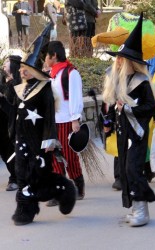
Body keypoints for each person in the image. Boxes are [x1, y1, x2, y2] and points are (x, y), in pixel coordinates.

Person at [0, 48, 76, 226]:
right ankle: (25, 209)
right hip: (21, 140)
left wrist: (50, 139)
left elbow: (49, 116)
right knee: (21, 174)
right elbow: (15, 113)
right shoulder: (21, 89)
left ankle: (63, 189)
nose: (20, 71)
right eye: (20, 69)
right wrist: (2, 101)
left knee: (37, 175)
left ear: (34, 70)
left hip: (39, 141)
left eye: (24, 69)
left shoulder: (45, 90)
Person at [102, 13, 155, 227]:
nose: (117, 61)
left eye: (120, 58)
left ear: (130, 62)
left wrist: (128, 109)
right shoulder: (119, 80)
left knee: (134, 170)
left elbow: (149, 107)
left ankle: (142, 210)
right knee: (126, 171)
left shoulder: (142, 82)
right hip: (123, 132)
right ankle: (136, 208)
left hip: (137, 132)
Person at [44, 41, 85, 206]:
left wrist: (75, 119)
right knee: (54, 157)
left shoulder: (70, 73)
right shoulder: (52, 74)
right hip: (53, 122)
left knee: (69, 156)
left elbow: (76, 96)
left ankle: (78, 186)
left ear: (54, 56)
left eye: (47, 55)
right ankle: (58, 191)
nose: (45, 59)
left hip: (67, 122)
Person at [0, 55, 22, 191]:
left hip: (11, 123)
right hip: (1, 123)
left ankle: (15, 178)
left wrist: (3, 97)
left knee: (11, 151)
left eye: (7, 62)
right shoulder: (2, 80)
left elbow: (15, 105)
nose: (4, 64)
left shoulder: (19, 83)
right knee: (3, 152)